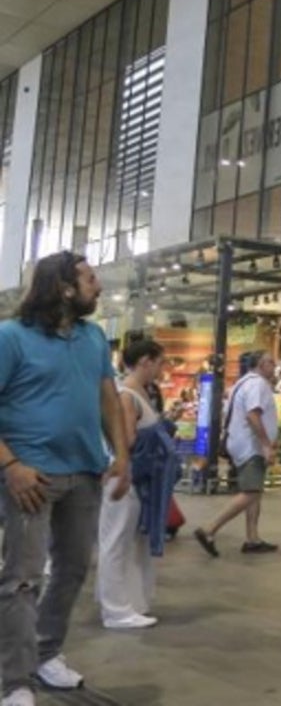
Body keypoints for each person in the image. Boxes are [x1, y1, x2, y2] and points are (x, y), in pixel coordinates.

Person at [0, 251, 131, 706]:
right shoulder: (10, 337)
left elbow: (108, 399)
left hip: (84, 473)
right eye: (91, 279)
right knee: (22, 579)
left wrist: (121, 454)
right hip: (30, 475)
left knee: (72, 570)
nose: (99, 286)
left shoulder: (93, 338)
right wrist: (10, 466)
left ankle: (45, 652)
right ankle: (13, 682)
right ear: (64, 288)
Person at [97, 339, 167, 630]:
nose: (163, 369)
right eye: (160, 362)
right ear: (145, 362)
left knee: (128, 542)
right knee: (115, 542)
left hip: (136, 478)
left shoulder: (140, 393)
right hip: (125, 477)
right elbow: (125, 439)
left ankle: (129, 602)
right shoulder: (127, 395)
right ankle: (115, 608)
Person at [193, 351, 279, 557]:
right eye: (270, 362)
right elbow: (253, 414)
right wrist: (266, 444)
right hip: (251, 446)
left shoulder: (243, 383)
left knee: (254, 492)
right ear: (259, 363)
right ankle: (210, 529)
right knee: (250, 491)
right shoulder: (257, 384)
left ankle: (252, 538)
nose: (274, 366)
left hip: (242, 443)